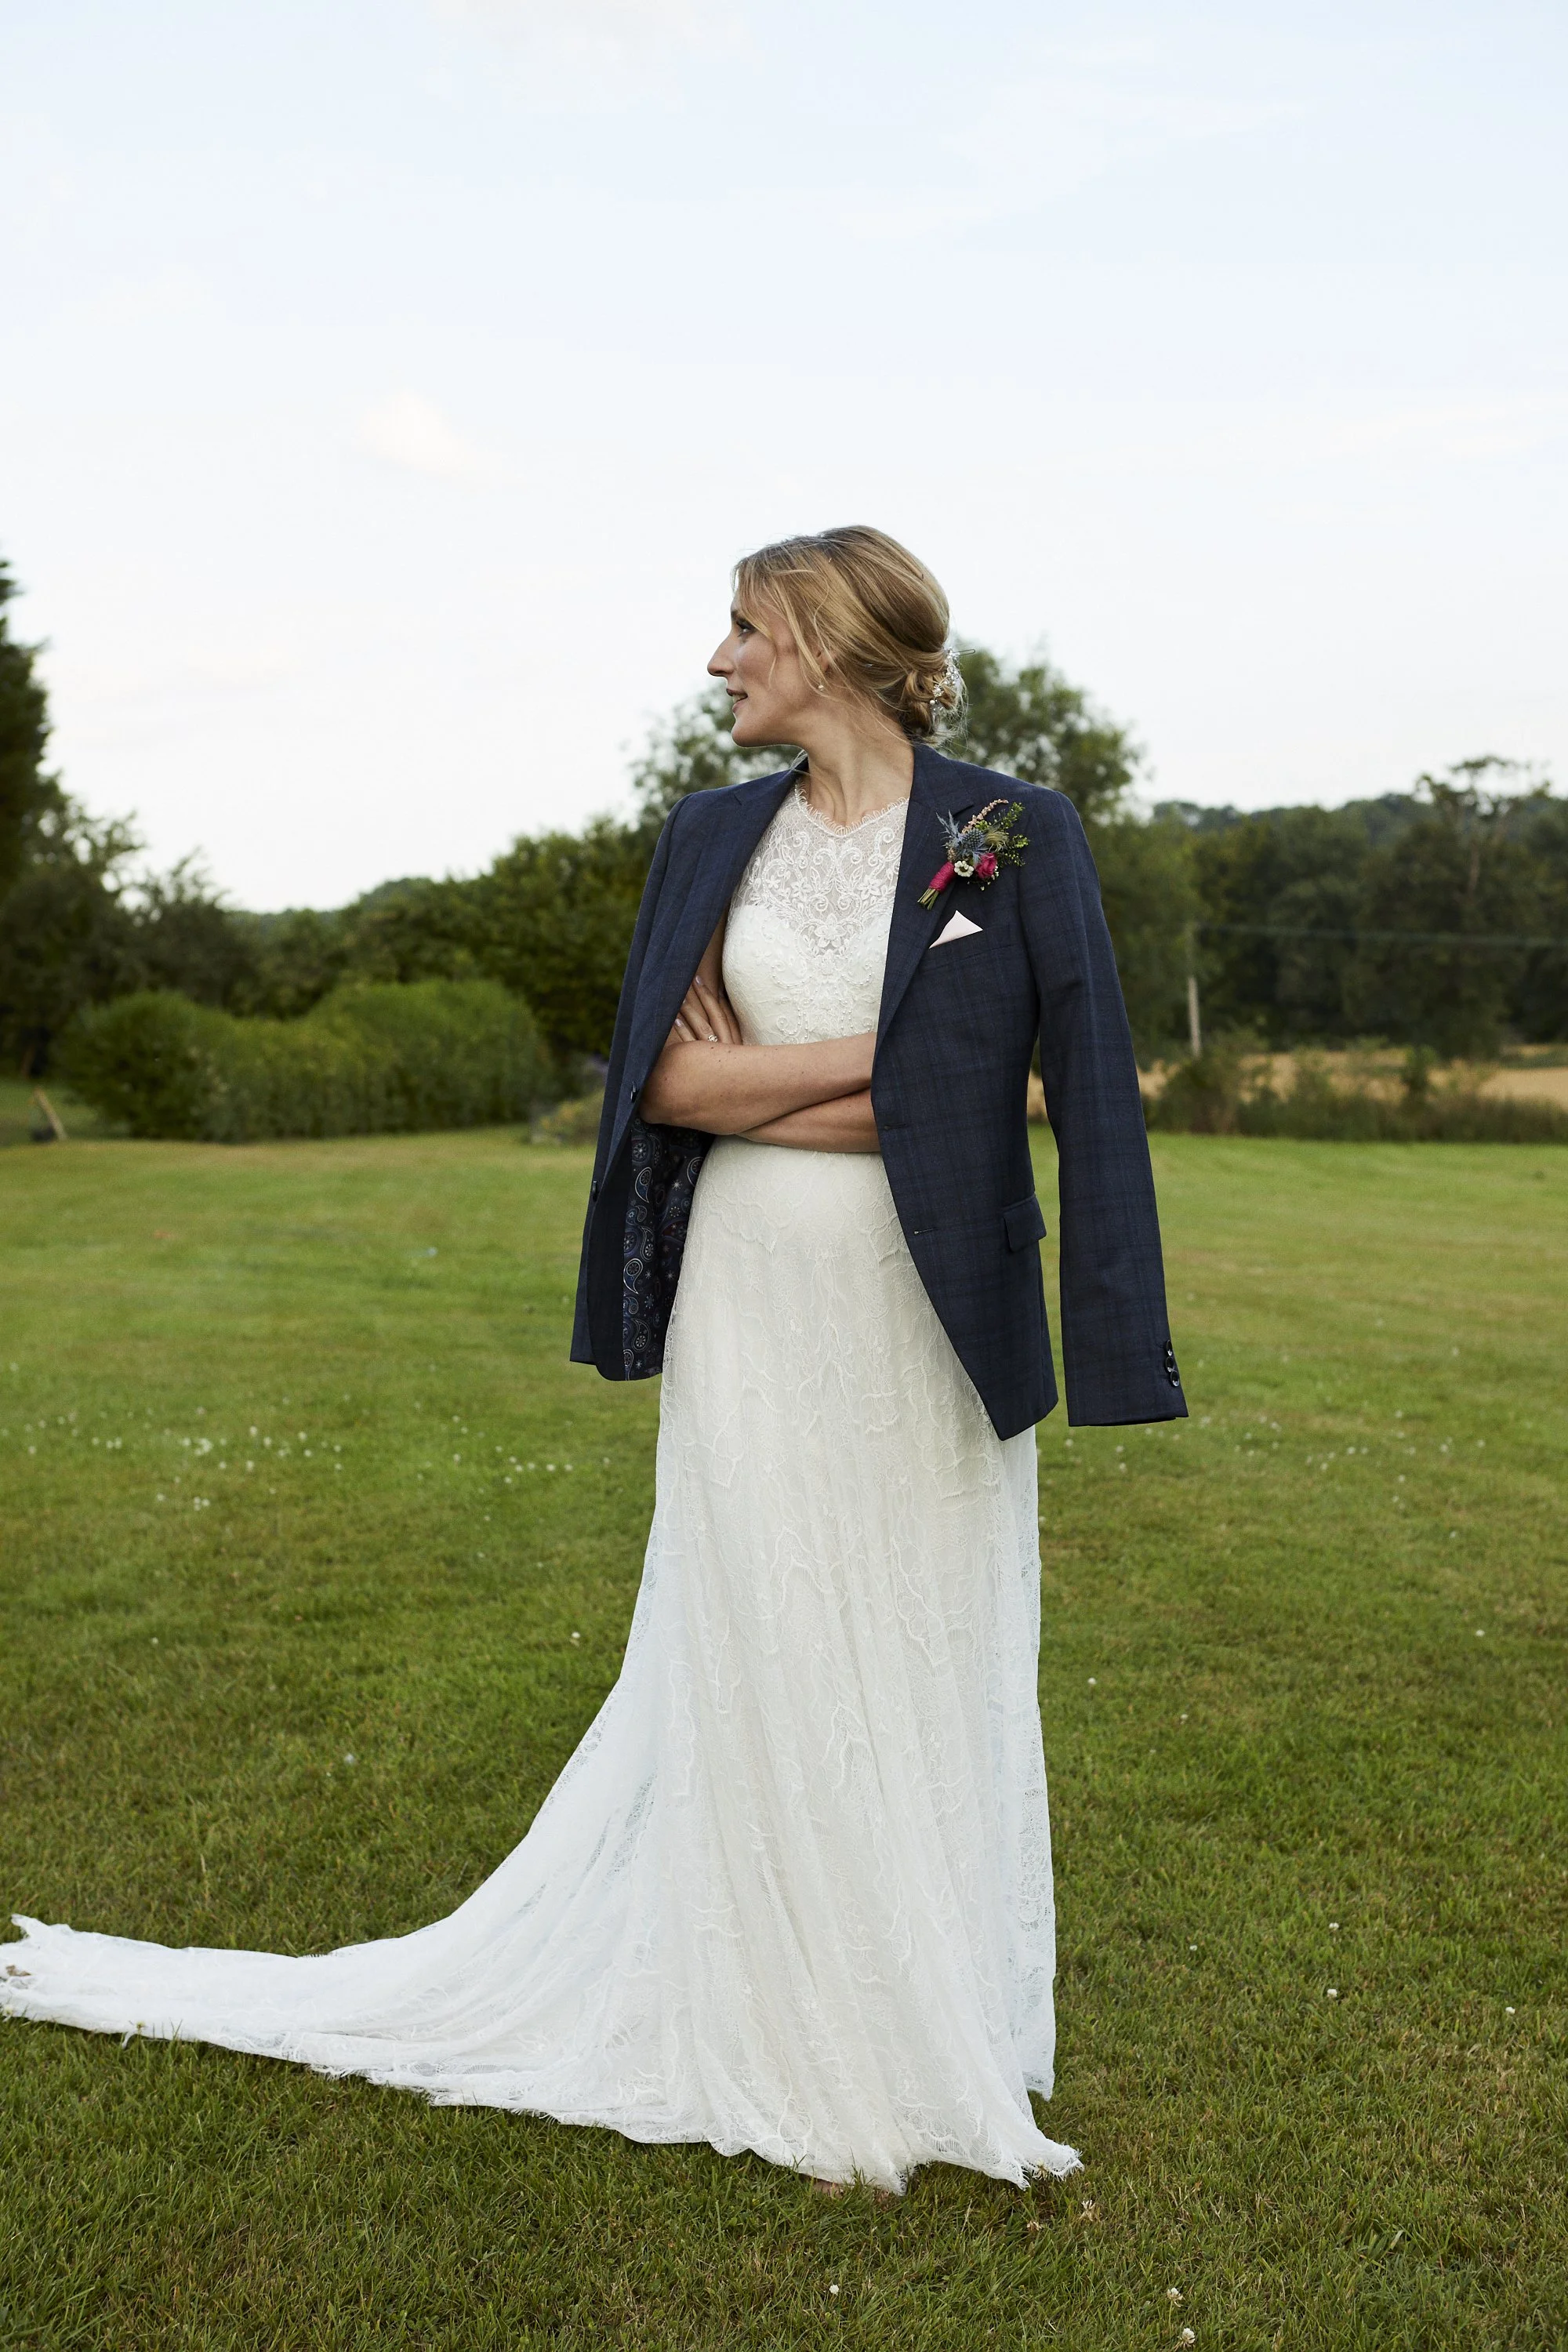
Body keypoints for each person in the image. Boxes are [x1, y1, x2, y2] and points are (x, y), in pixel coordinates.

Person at [2, 526, 1182, 2198]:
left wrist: (851, 1084)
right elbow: (668, 1089)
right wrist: (904, 1066)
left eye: (743, 629)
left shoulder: (1011, 833)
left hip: (935, 1314)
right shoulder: (710, 839)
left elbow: (1068, 1091)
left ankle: (926, 2019)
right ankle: (781, 2028)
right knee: (766, 1634)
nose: (716, 662)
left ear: (833, 641)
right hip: (751, 1297)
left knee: (919, 1639)